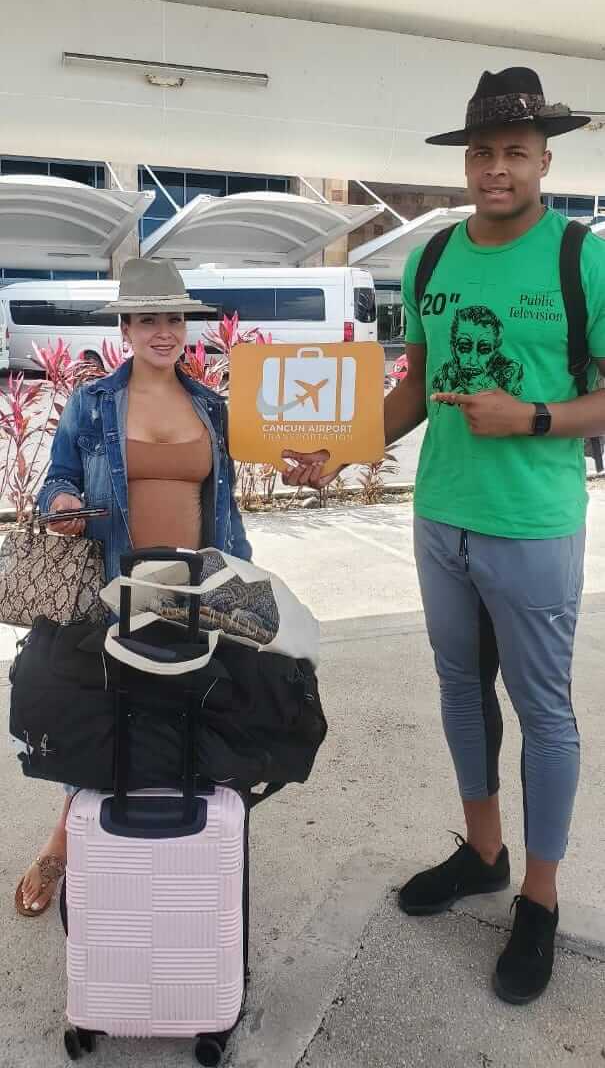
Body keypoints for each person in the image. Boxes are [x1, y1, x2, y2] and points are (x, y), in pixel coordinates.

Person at [283, 67, 605, 1004]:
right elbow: (415, 385)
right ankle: (484, 854)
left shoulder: (579, 259)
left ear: (546, 160)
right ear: (464, 161)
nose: (495, 169)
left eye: (514, 152)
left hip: (533, 525)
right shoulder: (429, 260)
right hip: (439, 520)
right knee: (460, 691)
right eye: (481, 152)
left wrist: (534, 417)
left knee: (544, 713)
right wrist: (344, 454)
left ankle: (538, 901)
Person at [16, 257, 251, 918]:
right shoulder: (94, 403)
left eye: (173, 317)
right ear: (124, 326)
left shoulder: (211, 405)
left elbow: (240, 484)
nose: (163, 330)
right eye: (147, 318)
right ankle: (64, 842)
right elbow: (55, 475)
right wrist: (62, 498)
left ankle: (184, 849)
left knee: (203, 710)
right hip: (116, 585)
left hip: (203, 584)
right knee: (99, 718)